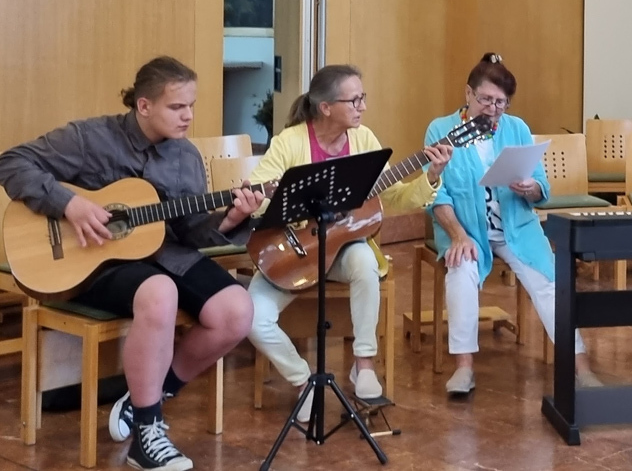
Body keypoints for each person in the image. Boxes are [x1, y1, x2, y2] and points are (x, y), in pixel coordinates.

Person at [0, 57, 264, 471]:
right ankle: (147, 432)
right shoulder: (90, 138)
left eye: (191, 105)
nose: (188, 116)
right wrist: (70, 204)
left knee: (237, 311)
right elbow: (11, 162)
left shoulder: (186, 156)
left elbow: (193, 232)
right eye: (177, 107)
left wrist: (232, 218)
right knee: (160, 293)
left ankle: (151, 395)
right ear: (144, 105)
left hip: (166, 254)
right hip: (93, 262)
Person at [246, 64, 452, 419]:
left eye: (362, 98)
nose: (363, 107)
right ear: (326, 107)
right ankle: (303, 381)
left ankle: (364, 363)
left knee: (365, 261)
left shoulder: (364, 139)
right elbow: (259, 195)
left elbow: (396, 196)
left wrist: (432, 175)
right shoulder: (289, 142)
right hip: (295, 253)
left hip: (341, 252)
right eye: (354, 100)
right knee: (252, 316)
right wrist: (275, 200)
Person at [425, 53, 600, 395]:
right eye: (486, 99)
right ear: (468, 93)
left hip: (516, 227)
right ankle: (464, 367)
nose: (493, 109)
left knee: (549, 282)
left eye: (501, 103)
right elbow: (435, 193)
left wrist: (530, 188)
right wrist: (458, 236)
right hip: (465, 228)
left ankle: (581, 367)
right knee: (461, 271)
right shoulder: (441, 129)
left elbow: (541, 186)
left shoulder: (516, 128)